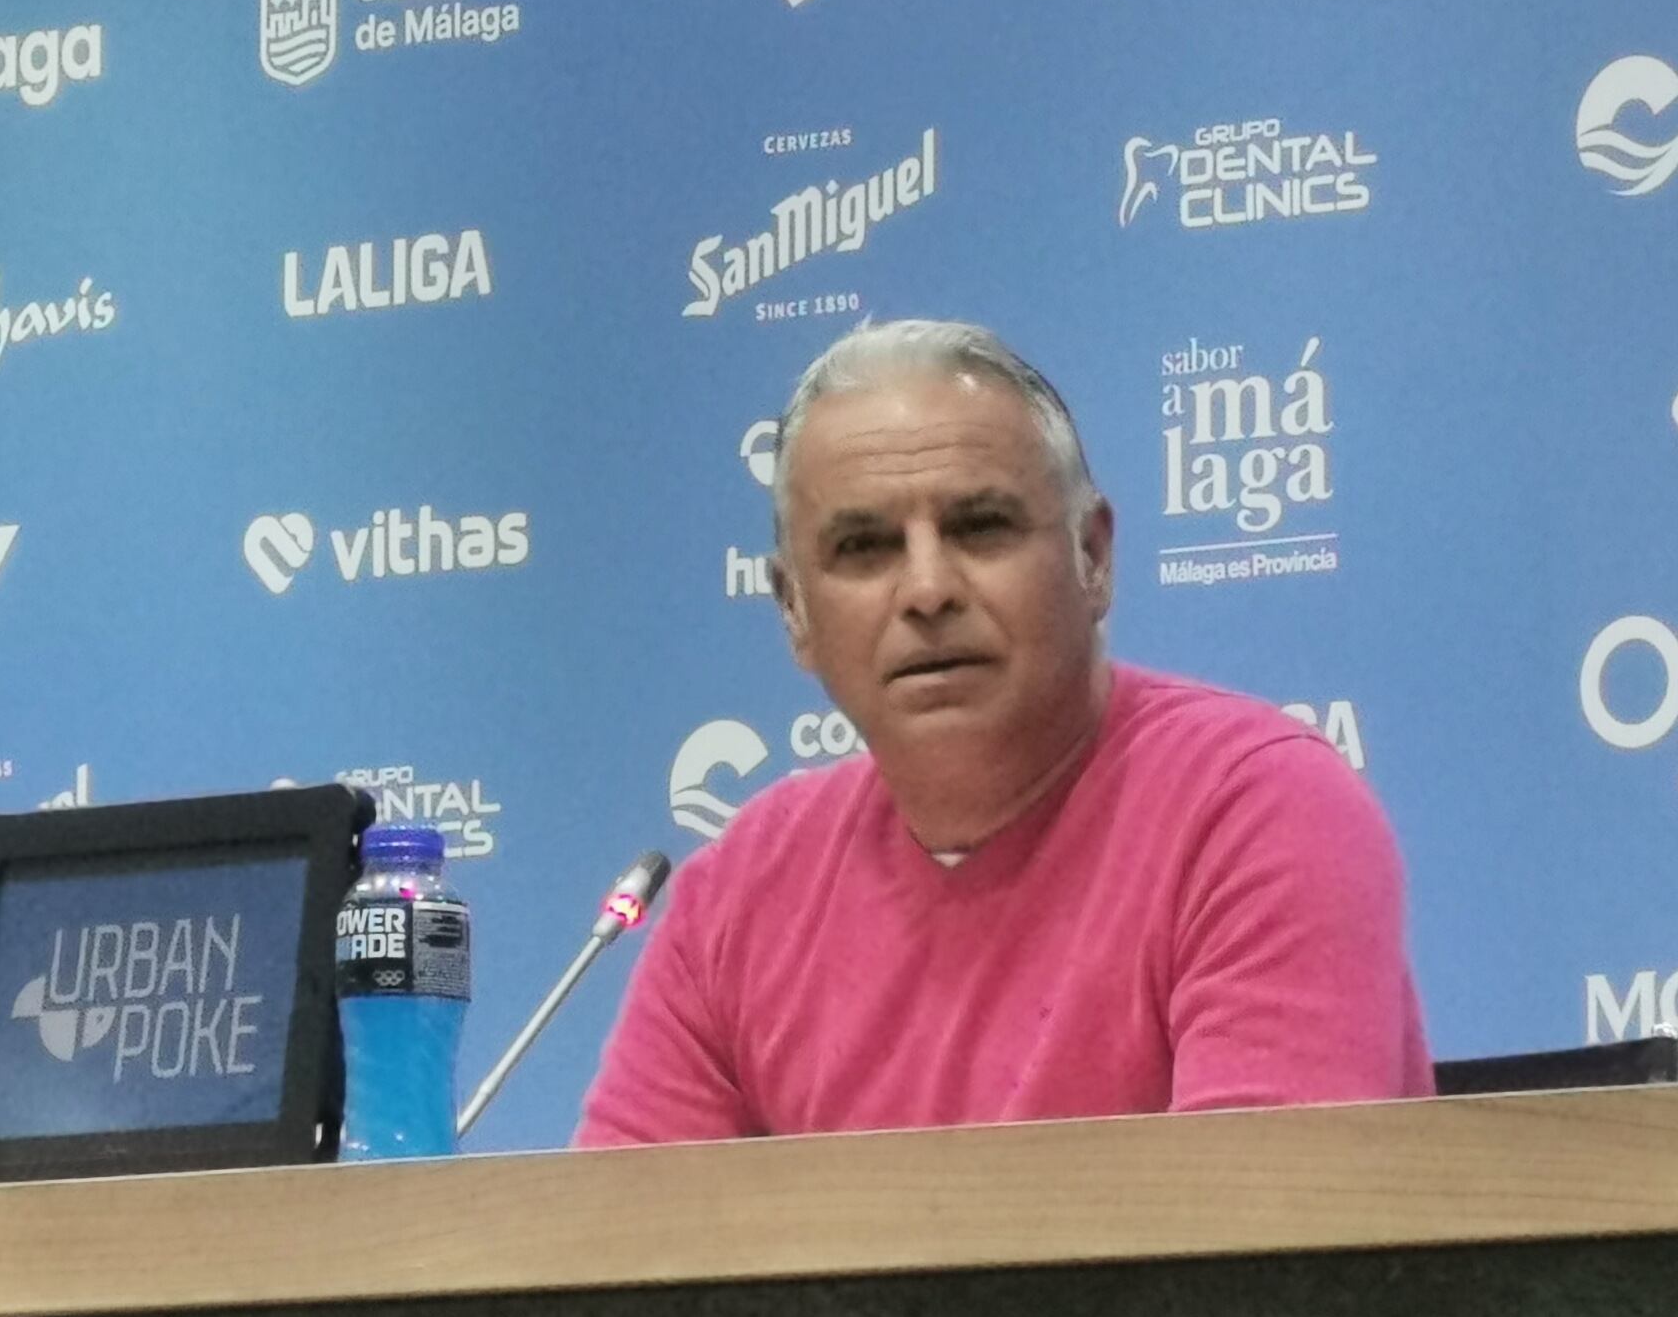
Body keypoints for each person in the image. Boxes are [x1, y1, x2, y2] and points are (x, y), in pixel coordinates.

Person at [576, 319, 1431, 1144]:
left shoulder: (1257, 813)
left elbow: (1265, 1258)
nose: (926, 589)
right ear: (794, 610)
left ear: (1092, 558)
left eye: (980, 528)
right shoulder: (737, 894)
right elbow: (614, 1266)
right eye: (865, 548)